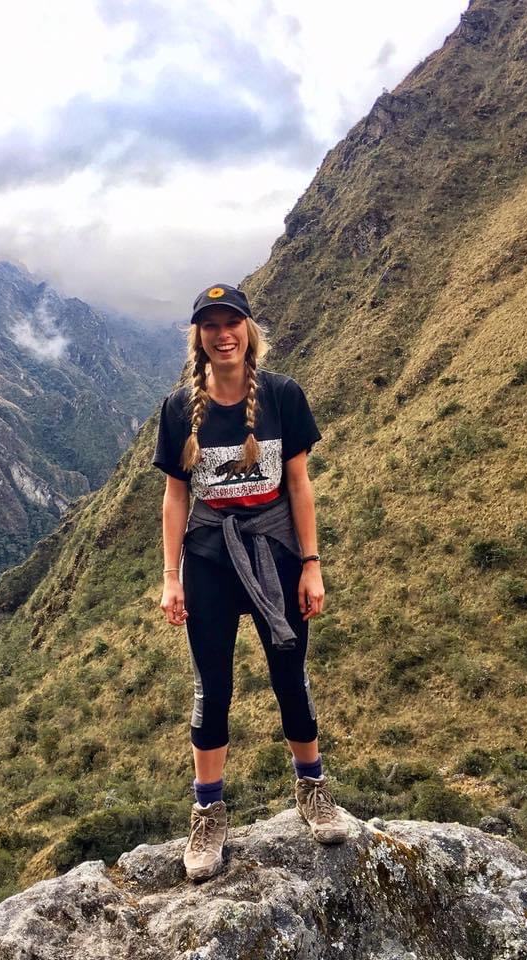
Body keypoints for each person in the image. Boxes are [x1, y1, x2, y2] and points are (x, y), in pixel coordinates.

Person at [152, 282, 348, 882]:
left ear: (248, 329)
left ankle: (312, 791)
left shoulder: (284, 397)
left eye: (231, 321)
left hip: (276, 552)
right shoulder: (179, 409)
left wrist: (311, 563)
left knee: (290, 673)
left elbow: (298, 487)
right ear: (199, 338)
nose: (222, 333)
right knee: (212, 686)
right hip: (210, 557)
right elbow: (175, 498)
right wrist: (171, 577)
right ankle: (208, 813)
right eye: (209, 325)